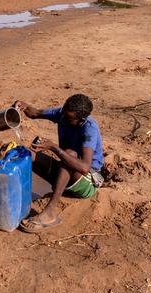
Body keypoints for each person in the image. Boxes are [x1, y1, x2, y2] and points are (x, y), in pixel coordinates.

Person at [13, 94, 104, 233]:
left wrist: (54, 148)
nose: (64, 120)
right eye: (63, 114)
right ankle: (15, 195)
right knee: (26, 154)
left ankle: (50, 212)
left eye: (69, 119)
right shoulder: (63, 114)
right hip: (66, 172)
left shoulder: (89, 129)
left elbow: (85, 167)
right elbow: (35, 113)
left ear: (81, 120)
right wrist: (24, 106)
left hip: (87, 182)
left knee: (70, 153)